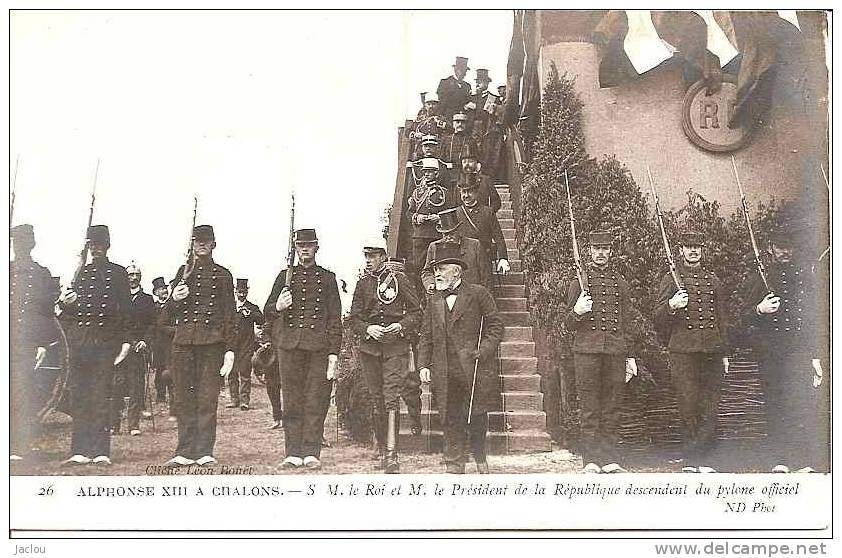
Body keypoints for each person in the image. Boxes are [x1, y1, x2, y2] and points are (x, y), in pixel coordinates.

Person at [741, 220, 828, 473]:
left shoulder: (804, 277)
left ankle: (801, 460)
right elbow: (743, 316)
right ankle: (780, 460)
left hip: (799, 353)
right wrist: (760, 309)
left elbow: (811, 319)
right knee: (775, 404)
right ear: (771, 248)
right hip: (772, 353)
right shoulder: (760, 276)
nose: (786, 251)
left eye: (789, 247)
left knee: (801, 403)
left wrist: (814, 357)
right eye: (781, 247)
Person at [418, 244, 503, 474]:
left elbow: (495, 327)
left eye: (442, 269)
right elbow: (426, 334)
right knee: (449, 417)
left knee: (476, 416)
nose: (437, 273)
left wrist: (483, 351)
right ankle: (454, 465)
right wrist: (423, 364)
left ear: (457, 271)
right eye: (435, 269)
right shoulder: (434, 299)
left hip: (473, 367)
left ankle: (480, 455)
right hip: (445, 369)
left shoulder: (478, 293)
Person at [263, 228, 342, 470]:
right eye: (300, 245)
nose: (304, 249)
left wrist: (333, 354)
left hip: (317, 346)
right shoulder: (283, 276)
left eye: (309, 245)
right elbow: (267, 310)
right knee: (292, 399)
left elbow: (334, 319)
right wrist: (278, 305)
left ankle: (311, 451)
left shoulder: (327, 278)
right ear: (295, 249)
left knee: (315, 399)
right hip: (290, 346)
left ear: (316, 247)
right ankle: (293, 452)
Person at [654, 231, 730, 473]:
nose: (693, 250)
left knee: (710, 402)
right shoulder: (671, 279)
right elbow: (657, 318)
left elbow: (721, 319)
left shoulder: (713, 280)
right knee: (687, 402)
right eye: (689, 246)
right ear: (681, 250)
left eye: (697, 246)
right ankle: (691, 459)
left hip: (711, 350)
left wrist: (724, 352)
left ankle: (706, 459)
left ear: (702, 250)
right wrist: (672, 306)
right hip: (683, 352)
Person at [56, 225, 132, 466]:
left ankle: (100, 450)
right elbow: (67, 314)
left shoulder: (117, 273)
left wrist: (126, 341)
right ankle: (79, 449)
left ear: (107, 245)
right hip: (80, 343)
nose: (95, 248)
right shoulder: (81, 273)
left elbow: (127, 312)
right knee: (80, 396)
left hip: (104, 343)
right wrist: (67, 304)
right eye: (92, 244)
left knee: (100, 396)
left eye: (99, 244)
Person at [563, 231, 637, 473]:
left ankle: (610, 459)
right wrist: (577, 311)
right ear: (590, 251)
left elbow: (627, 322)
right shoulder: (579, 282)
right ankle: (591, 460)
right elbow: (567, 324)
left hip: (615, 351)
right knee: (590, 407)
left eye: (605, 249)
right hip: (586, 352)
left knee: (612, 406)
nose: (601, 253)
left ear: (611, 252)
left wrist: (630, 356)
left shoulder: (621, 284)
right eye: (597, 249)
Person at [164, 225, 236, 467]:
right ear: (192, 244)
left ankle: (204, 451)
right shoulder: (182, 273)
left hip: (211, 343)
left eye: (206, 241)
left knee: (207, 397)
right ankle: (184, 450)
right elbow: (166, 315)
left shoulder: (223, 275)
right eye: (197, 241)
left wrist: (230, 349)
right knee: (184, 397)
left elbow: (230, 314)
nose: (201, 244)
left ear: (214, 244)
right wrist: (175, 298)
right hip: (184, 342)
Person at [348, 238, 422, 473]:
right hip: (370, 349)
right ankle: (381, 448)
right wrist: (368, 329)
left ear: (382, 256)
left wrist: (401, 327)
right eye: (366, 257)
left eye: (372, 257)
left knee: (391, 398)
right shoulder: (362, 285)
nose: (368, 261)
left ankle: (392, 455)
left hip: (395, 347)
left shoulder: (400, 280)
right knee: (377, 399)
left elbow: (415, 313)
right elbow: (355, 318)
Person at [10, 224, 56, 462]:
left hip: (27, 342)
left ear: (32, 245)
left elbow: (46, 313)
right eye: (16, 243)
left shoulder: (41, 274)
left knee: (22, 392)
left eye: (24, 243)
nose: (20, 248)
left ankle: (19, 446)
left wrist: (42, 343)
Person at [111, 262, 156, 436]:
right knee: (116, 386)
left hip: (139, 349)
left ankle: (133, 425)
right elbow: (115, 323)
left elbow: (152, 324)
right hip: (120, 348)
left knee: (137, 387)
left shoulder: (147, 299)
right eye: (130, 274)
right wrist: (125, 341)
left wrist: (145, 341)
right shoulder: (118, 299)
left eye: (136, 274)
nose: (134, 278)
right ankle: (114, 424)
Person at [407, 157, 458, 278]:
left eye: (430, 171)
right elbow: (409, 213)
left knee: (438, 265)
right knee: (418, 266)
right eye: (425, 171)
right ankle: (421, 295)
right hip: (420, 235)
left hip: (437, 235)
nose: (426, 174)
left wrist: (439, 218)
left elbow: (451, 213)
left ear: (436, 173)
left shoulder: (444, 193)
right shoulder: (417, 193)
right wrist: (417, 217)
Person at [455, 181, 510, 281]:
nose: (466, 195)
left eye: (469, 192)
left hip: (484, 259)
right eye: (463, 192)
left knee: (486, 290)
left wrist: (503, 258)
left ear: (476, 192)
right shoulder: (456, 213)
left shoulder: (488, 212)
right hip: (463, 260)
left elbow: (498, 237)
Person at [421, 208, 485, 292]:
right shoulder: (434, 247)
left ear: (459, 231)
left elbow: (485, 275)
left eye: (452, 233)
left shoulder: (474, 245)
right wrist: (431, 283)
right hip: (443, 294)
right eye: (445, 234)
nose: (448, 237)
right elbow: (426, 272)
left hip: (470, 295)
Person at [226, 278, 265, 411]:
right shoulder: (229, 307)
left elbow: (261, 320)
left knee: (244, 372)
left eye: (244, 292)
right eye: (239, 292)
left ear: (247, 292)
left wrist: (251, 314)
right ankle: (234, 399)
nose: (242, 294)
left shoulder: (252, 307)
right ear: (235, 292)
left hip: (246, 346)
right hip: (231, 345)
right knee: (231, 373)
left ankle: (244, 401)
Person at [150, 276, 175, 414]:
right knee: (159, 368)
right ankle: (160, 395)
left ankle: (172, 394)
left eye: (165, 288)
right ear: (155, 292)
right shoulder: (153, 307)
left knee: (170, 367)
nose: (164, 291)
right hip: (158, 343)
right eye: (160, 289)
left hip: (171, 341)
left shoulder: (171, 305)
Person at [252, 323, 283, 430]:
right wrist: (267, 342)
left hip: (291, 359)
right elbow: (265, 331)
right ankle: (277, 418)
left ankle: (293, 419)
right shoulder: (274, 312)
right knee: (272, 389)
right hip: (273, 360)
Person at [440, 113, 478, 186]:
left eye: (463, 122)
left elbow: (475, 159)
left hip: (464, 175)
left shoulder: (471, 141)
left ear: (466, 125)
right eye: (457, 122)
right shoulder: (446, 139)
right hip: (448, 174)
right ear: (453, 124)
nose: (460, 124)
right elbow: (441, 158)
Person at [437, 56, 473, 121]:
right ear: (455, 69)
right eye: (461, 70)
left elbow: (468, 100)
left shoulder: (467, 86)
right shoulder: (445, 83)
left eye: (465, 71)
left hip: (463, 119)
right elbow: (443, 102)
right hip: (448, 117)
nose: (464, 73)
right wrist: (463, 106)